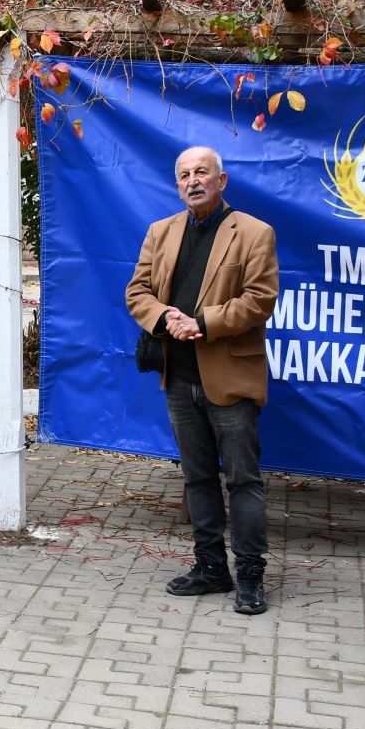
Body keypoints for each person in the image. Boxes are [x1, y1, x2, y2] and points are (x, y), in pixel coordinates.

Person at [125, 145, 279, 615]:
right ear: (177, 185)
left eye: (202, 173)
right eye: (185, 175)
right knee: (197, 480)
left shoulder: (254, 233)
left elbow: (260, 299)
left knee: (243, 481)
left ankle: (250, 575)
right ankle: (211, 569)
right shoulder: (161, 231)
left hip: (230, 378)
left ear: (222, 180)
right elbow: (137, 291)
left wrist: (203, 323)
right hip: (178, 377)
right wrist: (164, 315)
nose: (193, 181)